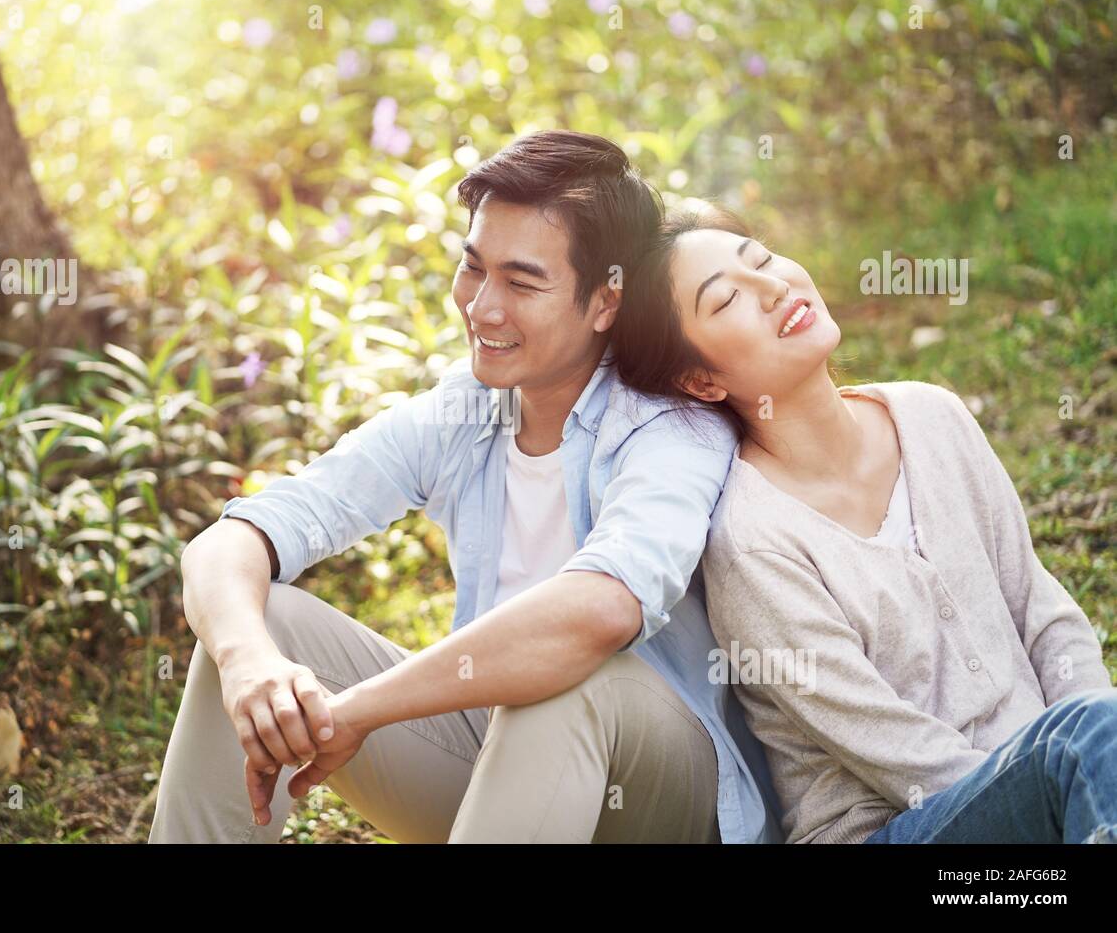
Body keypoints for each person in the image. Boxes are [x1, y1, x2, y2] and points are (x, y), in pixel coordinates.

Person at [147, 131, 784, 844]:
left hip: (655, 801)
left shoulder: (670, 427)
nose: (481, 308)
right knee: (267, 619)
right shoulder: (468, 409)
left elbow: (599, 611)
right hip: (503, 776)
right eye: (473, 268)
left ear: (606, 301)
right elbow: (236, 538)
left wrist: (358, 711)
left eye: (522, 283)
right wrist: (248, 662)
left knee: (561, 679)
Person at [634, 202, 1115, 843]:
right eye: (727, 300)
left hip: (1050, 783)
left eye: (764, 260)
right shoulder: (752, 543)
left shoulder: (933, 417)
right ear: (700, 380)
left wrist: (1096, 747)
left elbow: (1043, 614)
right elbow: (902, 756)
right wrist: (1066, 775)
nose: (775, 288)